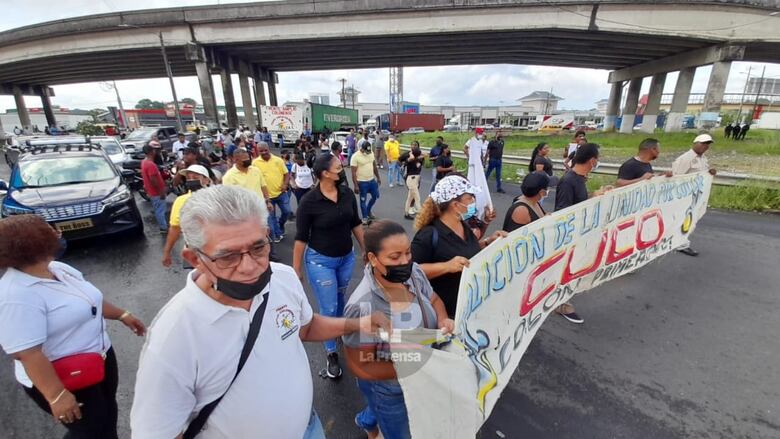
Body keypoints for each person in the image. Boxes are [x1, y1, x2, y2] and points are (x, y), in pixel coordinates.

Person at [131, 185, 389, 439]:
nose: (249, 267)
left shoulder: (283, 278)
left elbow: (305, 327)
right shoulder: (172, 337)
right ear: (194, 259)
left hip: (309, 428)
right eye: (228, 257)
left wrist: (358, 324)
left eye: (258, 248)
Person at [0, 215, 145, 438]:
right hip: (64, 375)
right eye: (50, 230)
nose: (58, 234)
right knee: (91, 429)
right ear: (35, 243)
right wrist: (56, 395)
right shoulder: (15, 294)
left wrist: (121, 315)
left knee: (106, 417)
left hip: (99, 358)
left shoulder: (57, 269)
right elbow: (27, 353)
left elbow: (88, 300)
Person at [344, 220, 455, 439]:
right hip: (390, 390)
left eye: (408, 253)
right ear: (373, 259)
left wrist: (443, 319)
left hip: (425, 374)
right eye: (395, 257)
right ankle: (374, 421)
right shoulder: (362, 306)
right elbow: (359, 365)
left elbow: (433, 299)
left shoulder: (413, 273)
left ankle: (368, 419)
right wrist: (417, 366)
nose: (405, 262)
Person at [294, 154, 365, 379]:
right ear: (325, 173)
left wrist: (367, 250)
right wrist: (296, 269)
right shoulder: (309, 202)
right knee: (329, 306)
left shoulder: (345, 194)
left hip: (346, 258)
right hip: (320, 261)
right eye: (338, 167)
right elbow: (301, 238)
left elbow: (356, 223)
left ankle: (340, 333)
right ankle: (331, 352)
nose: (341, 168)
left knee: (342, 301)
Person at [411, 175, 505, 317]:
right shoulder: (428, 235)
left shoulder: (463, 224)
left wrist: (487, 242)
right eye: (470, 198)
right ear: (455, 205)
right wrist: (446, 266)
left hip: (469, 307)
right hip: (444, 313)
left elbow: (465, 252)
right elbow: (411, 271)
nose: (474, 201)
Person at [554, 143, 606, 325]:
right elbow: (564, 212)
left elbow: (579, 202)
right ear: (592, 161)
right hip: (570, 237)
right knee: (566, 270)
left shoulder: (579, 179)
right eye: (597, 159)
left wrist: (594, 196)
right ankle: (560, 303)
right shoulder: (569, 181)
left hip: (580, 234)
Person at [671, 134, 717, 257]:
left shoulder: (703, 159)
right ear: (695, 143)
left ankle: (678, 241)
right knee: (684, 220)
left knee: (690, 220)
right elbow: (677, 178)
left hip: (696, 195)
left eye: (707, 144)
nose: (705, 146)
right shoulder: (686, 159)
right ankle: (681, 244)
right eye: (703, 143)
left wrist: (709, 173)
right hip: (685, 195)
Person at [162, 165, 212, 267]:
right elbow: (174, 229)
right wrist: (166, 252)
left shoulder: (217, 198)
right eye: (189, 178)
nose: (191, 180)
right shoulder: (181, 201)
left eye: (196, 177)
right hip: (195, 251)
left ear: (206, 180)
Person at [253, 142, 292, 243]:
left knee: (287, 212)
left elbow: (286, 174)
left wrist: (285, 184)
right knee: (271, 217)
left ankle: (280, 225)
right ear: (258, 151)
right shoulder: (255, 163)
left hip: (281, 193)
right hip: (267, 196)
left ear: (268, 149)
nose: (264, 152)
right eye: (261, 151)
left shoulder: (278, 160)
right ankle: (278, 234)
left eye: (265, 150)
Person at [464, 127, 493, 222]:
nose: (481, 135)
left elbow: (486, 153)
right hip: (473, 165)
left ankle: (479, 208)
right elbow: (465, 148)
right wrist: (470, 157)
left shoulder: (486, 142)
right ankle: (472, 209)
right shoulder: (471, 141)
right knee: (472, 183)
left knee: (481, 182)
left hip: (480, 165)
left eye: (482, 133)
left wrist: (483, 161)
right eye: (480, 133)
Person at [351, 139, 382, 225]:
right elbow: (353, 172)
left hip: (371, 180)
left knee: (375, 196)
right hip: (362, 182)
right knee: (363, 200)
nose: (367, 153)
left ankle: (368, 211)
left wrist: (378, 177)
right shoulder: (355, 157)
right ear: (362, 148)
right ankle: (365, 218)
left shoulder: (371, 153)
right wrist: (356, 185)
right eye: (366, 151)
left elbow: (374, 166)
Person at [141, 142, 168, 234]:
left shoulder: (144, 162)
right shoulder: (151, 165)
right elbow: (153, 180)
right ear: (151, 152)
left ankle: (163, 226)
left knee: (158, 209)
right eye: (154, 150)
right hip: (156, 193)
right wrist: (161, 192)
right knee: (160, 210)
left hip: (152, 192)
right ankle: (163, 228)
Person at [401, 146, 424, 220]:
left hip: (415, 179)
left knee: (410, 198)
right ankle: (422, 216)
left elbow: (425, 154)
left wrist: (414, 153)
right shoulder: (410, 160)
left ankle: (406, 213)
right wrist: (411, 153)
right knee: (417, 197)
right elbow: (411, 158)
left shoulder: (418, 159)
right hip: (411, 179)